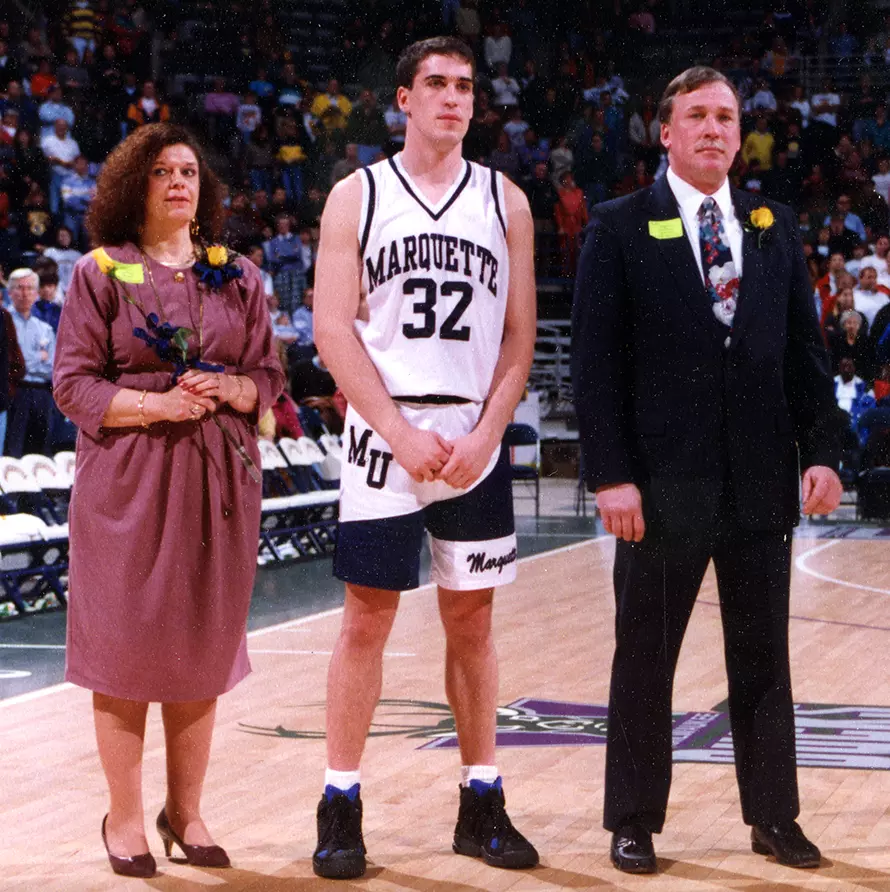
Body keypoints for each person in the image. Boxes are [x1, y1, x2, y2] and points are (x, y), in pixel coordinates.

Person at [572, 66, 843, 875]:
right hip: (658, 491)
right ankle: (633, 821)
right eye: (697, 116)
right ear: (665, 131)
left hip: (761, 485)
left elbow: (806, 355)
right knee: (645, 659)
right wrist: (610, 475)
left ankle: (774, 818)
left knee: (763, 665)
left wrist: (824, 449)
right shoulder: (620, 226)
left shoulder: (774, 226)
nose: (715, 130)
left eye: (726, 116)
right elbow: (594, 365)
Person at [311, 36, 538, 880]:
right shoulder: (357, 195)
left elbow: (518, 341)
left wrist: (486, 433)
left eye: (465, 87)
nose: (453, 98)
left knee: (472, 622)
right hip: (385, 433)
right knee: (366, 618)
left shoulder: (505, 201)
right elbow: (333, 329)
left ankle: (481, 800)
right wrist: (400, 432)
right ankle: (340, 803)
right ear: (403, 99)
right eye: (435, 84)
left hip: (473, 437)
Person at [52, 122, 284, 878]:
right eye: (162, 172)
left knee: (200, 646)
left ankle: (185, 812)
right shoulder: (98, 272)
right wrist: (155, 408)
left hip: (220, 480)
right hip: (128, 480)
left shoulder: (238, 276)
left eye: (188, 170)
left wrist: (235, 388)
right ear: (134, 186)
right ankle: (123, 817)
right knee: (124, 649)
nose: (180, 182)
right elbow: (73, 384)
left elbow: (268, 378)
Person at [6, 267, 56, 457]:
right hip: (16, 391)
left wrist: (26, 360)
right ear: (10, 292)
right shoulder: (5, 324)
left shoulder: (45, 328)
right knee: (13, 449)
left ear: (36, 294)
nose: (24, 293)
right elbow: (13, 364)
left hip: (43, 393)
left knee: (41, 452)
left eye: (29, 288)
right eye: (19, 288)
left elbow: (51, 366)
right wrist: (37, 357)